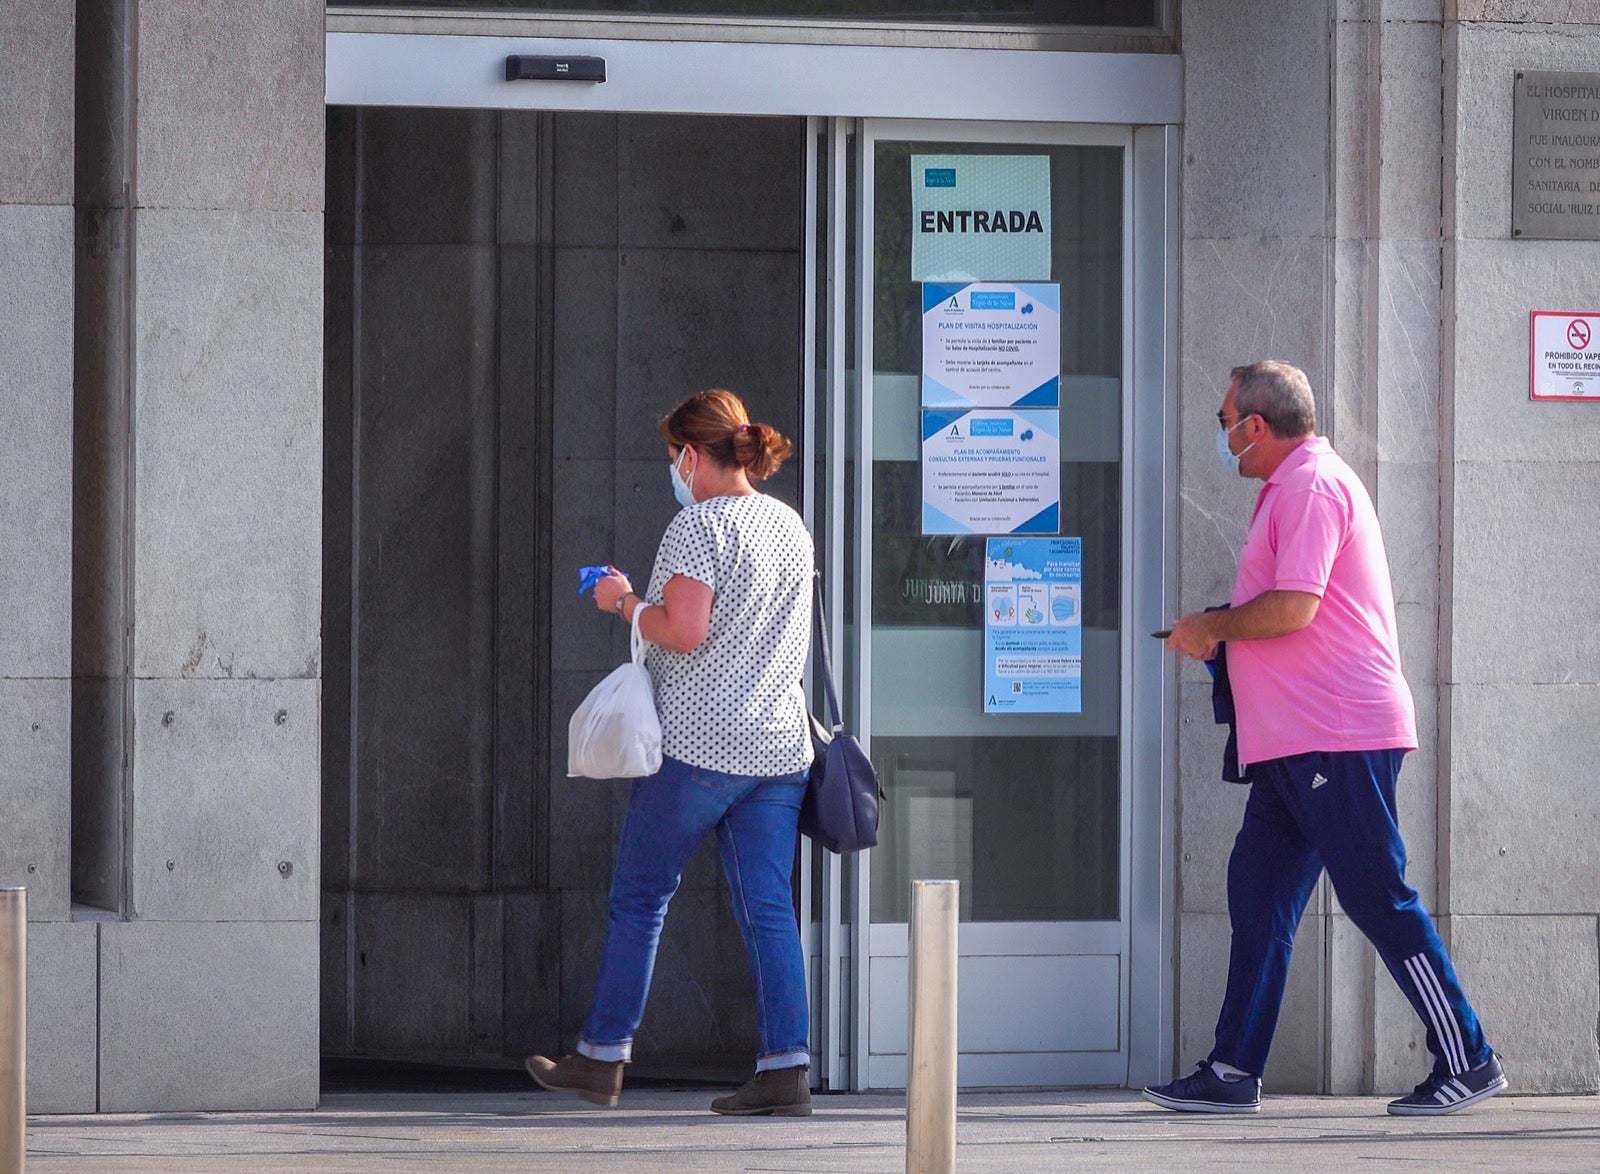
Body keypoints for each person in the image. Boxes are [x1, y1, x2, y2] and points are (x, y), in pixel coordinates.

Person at [1143, 361, 1505, 1117]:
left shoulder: (1312, 485)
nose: (1223, 438)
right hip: (1293, 746)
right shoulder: (1292, 486)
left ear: (1259, 426)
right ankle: (1233, 1069)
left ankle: (1467, 1056)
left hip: (1336, 736)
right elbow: (1284, 611)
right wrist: (1217, 634)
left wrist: (1213, 626)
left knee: (1378, 895)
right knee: (1260, 898)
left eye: (1225, 423)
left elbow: (1296, 608)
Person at [527, 389, 816, 1117]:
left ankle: (601, 1058)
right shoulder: (789, 525)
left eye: (671, 459)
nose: (673, 472)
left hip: (699, 749)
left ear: (691, 456)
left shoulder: (699, 526)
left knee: (641, 900)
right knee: (769, 910)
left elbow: (683, 631)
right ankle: (786, 1070)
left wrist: (623, 600)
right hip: (779, 748)